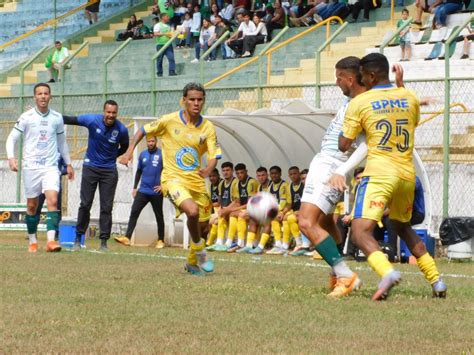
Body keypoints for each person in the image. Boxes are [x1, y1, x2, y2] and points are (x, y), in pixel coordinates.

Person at [334, 52, 447, 300]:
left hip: (379, 174)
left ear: (372, 75)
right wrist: (401, 85)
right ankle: (436, 280)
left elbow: (344, 144)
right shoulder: (408, 96)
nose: (362, 81)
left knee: (361, 231)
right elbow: (410, 120)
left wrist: (352, 127)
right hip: (407, 175)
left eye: (363, 76)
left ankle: (387, 273)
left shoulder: (359, 103)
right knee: (402, 226)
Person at [120, 83, 222, 276]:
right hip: (172, 179)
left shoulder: (208, 127)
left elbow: (213, 155)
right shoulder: (169, 121)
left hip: (196, 182)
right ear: (184, 100)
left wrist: (209, 168)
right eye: (192, 99)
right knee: (192, 212)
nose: (196, 103)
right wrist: (128, 152)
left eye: (200, 99)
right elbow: (143, 130)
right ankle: (200, 252)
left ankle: (192, 263)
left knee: (204, 227)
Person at [298, 57, 366, 298]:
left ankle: (346, 275)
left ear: (349, 78)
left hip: (331, 165)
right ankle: (338, 274)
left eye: (338, 77)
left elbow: (365, 145)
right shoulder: (353, 101)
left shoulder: (362, 103)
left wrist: (342, 170)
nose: (336, 82)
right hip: (327, 163)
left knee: (306, 222)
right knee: (326, 222)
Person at [6, 83, 74, 253]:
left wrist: (69, 163)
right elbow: (11, 139)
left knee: (52, 200)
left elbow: (62, 142)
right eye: (39, 94)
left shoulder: (57, 118)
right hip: (31, 167)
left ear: (50, 96)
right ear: (35, 97)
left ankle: (51, 241)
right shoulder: (26, 117)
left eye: (46, 93)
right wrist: (11, 158)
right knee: (32, 206)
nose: (43, 96)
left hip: (50, 166)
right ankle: (32, 240)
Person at [63, 100, 129, 251]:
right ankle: (78, 239)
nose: (111, 115)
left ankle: (104, 242)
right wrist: (49, 115)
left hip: (109, 171)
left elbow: (124, 146)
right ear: (103, 111)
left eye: (114, 113)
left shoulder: (121, 130)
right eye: (108, 112)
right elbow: (70, 119)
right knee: (85, 204)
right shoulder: (92, 120)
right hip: (90, 168)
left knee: (106, 207)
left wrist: (113, 156)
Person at [115, 136, 165, 248]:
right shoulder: (142, 155)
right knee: (134, 212)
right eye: (149, 141)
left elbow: (167, 171)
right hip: (143, 190)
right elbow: (138, 171)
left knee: (159, 216)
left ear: (156, 142)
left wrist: (163, 185)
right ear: (146, 142)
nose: (151, 143)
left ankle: (161, 240)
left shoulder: (162, 154)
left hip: (156, 191)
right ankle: (127, 238)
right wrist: (134, 187)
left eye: (153, 141)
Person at [221, 163, 259, 252]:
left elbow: (250, 203)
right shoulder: (237, 184)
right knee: (232, 214)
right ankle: (230, 242)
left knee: (240, 215)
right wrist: (228, 210)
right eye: (237, 173)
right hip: (245, 208)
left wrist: (230, 209)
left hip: (255, 208)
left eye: (241, 173)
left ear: (246, 172)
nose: (239, 175)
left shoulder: (251, 182)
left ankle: (241, 243)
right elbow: (237, 202)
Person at [34, 156, 69, 241]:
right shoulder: (40, 149)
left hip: (55, 185)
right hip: (40, 184)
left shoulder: (60, 152)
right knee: (36, 208)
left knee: (57, 209)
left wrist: (60, 172)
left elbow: (67, 167)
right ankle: (33, 231)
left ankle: (56, 233)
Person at [207, 161, 239, 251]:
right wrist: (221, 210)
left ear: (232, 171)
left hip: (234, 209)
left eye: (227, 170)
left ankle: (229, 242)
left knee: (221, 216)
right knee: (214, 218)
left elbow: (237, 201)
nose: (225, 172)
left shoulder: (236, 182)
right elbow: (220, 202)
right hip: (225, 209)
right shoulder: (222, 184)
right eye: (224, 170)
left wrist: (225, 210)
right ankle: (218, 242)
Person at [266, 165, 292, 255]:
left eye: (276, 173)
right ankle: (278, 244)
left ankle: (284, 245)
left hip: (287, 210)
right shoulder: (270, 187)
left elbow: (286, 203)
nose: (274, 175)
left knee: (279, 218)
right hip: (277, 211)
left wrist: (281, 212)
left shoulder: (284, 185)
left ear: (280, 174)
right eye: (272, 174)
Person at [206, 168, 222, 247]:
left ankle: (209, 242)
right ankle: (207, 240)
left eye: (214, 176)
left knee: (214, 221)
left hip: (221, 208)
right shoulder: (211, 185)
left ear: (218, 176)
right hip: (214, 208)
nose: (212, 178)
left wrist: (209, 205)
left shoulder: (221, 184)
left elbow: (219, 203)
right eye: (210, 176)